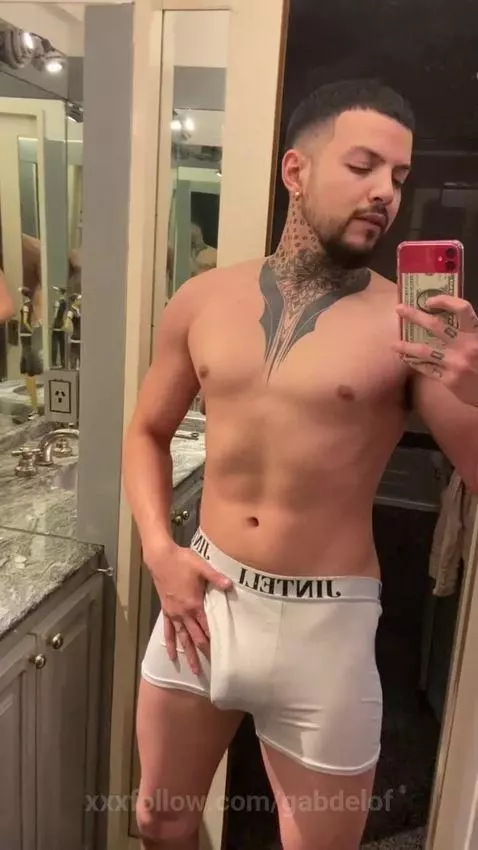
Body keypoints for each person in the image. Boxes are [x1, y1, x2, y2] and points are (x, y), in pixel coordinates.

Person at [122, 79, 478, 850]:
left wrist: (476, 391)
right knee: (159, 819)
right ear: (296, 170)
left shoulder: (411, 326)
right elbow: (146, 432)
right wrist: (158, 550)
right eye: (363, 165)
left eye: (399, 177)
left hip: (326, 625)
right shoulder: (202, 300)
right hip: (202, 602)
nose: (386, 192)